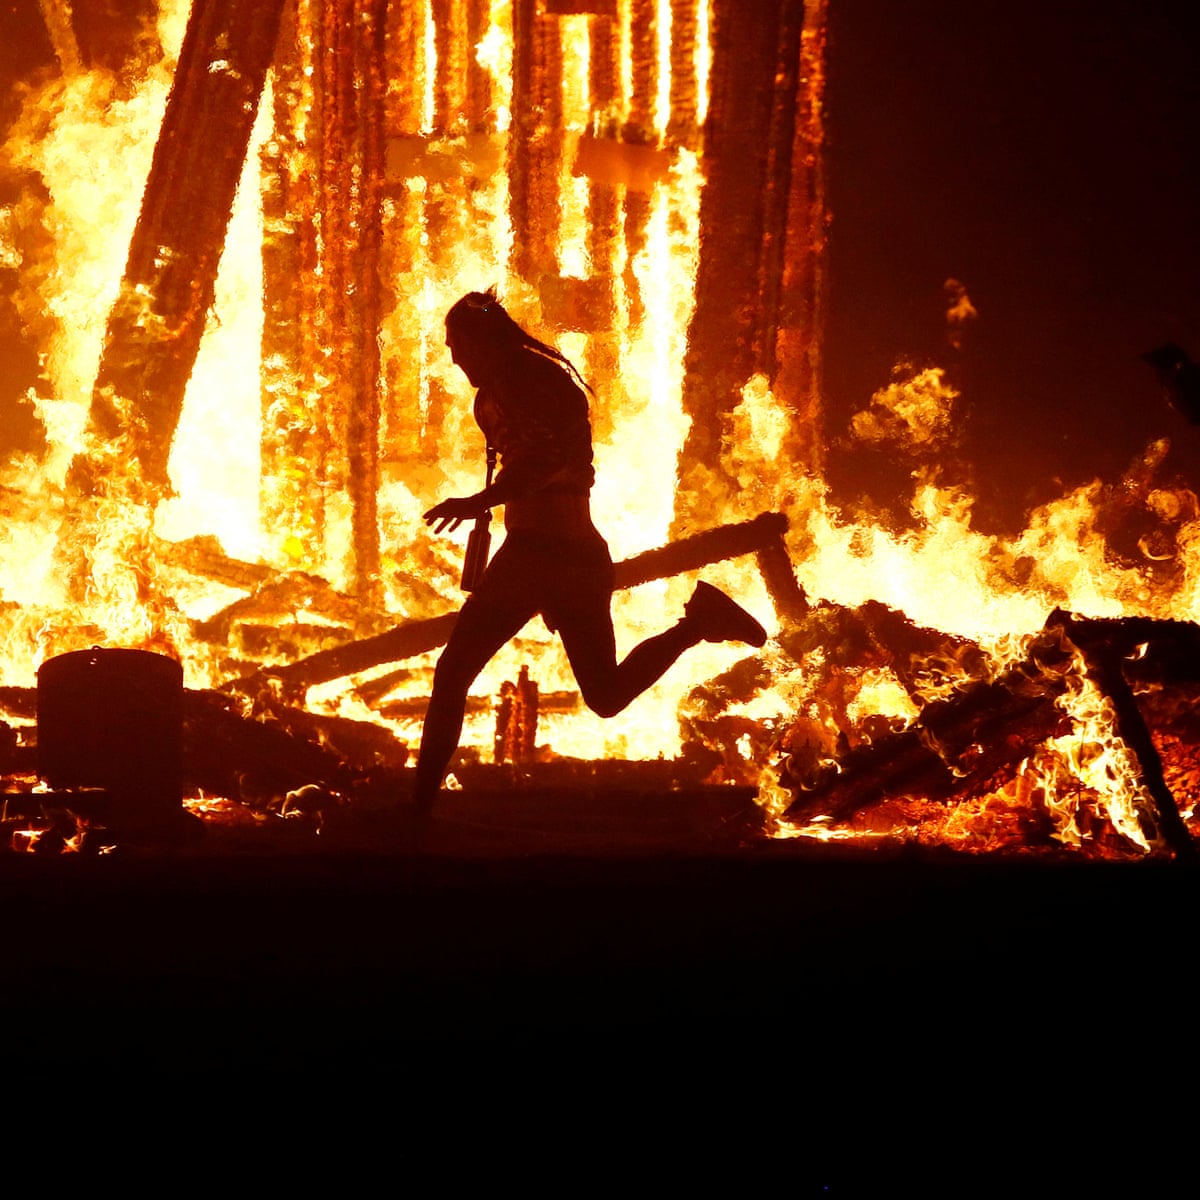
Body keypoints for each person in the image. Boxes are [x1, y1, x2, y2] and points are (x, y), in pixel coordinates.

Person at [413, 289, 767, 820]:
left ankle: (417, 811)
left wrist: (477, 501)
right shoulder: (529, 378)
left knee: (453, 673)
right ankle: (698, 624)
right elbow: (561, 460)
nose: (454, 356)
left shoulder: (516, 379)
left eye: (456, 344)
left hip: (538, 554)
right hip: (573, 552)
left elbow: (545, 461)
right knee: (603, 695)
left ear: (479, 341)